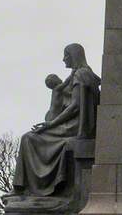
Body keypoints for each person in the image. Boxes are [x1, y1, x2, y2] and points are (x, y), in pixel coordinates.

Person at [12, 43, 100, 198]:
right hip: (70, 124)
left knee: (28, 138)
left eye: (66, 55)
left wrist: (50, 124)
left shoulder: (82, 74)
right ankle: (23, 188)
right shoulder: (76, 74)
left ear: (74, 56)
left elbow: (75, 106)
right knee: (29, 137)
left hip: (74, 127)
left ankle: (27, 188)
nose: (63, 59)